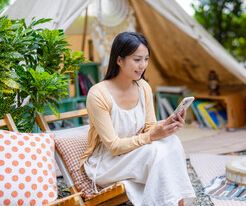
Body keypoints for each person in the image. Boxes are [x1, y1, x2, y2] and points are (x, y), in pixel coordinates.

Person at [79, 32, 196, 206]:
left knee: (173, 142)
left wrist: (166, 126)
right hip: (108, 163)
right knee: (154, 152)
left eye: (146, 59)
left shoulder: (143, 87)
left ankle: (177, 203)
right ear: (119, 60)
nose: (143, 65)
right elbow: (114, 147)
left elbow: (149, 128)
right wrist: (151, 136)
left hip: (134, 153)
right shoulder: (98, 94)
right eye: (137, 59)